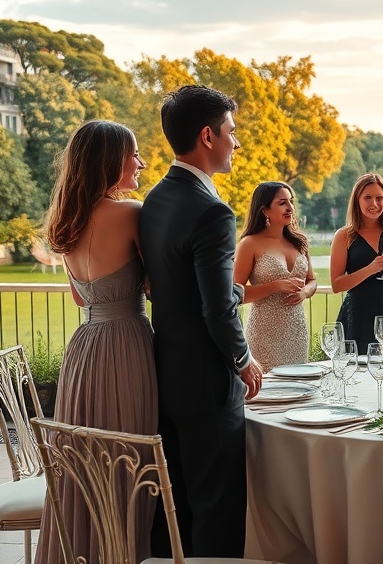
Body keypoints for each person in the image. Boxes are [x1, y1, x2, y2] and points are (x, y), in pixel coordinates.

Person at [138, 85, 263, 558]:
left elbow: (179, 286)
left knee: (178, 506)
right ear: (208, 136)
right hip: (209, 381)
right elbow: (216, 308)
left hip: (166, 372)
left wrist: (227, 290)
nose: (236, 142)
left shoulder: (155, 200)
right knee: (220, 507)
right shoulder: (213, 211)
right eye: (232, 132)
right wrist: (242, 359)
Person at [36, 120, 157, 564]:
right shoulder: (131, 214)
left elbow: (77, 297)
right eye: (135, 154)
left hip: (84, 350)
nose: (141, 163)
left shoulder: (66, 221)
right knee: (128, 458)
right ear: (112, 160)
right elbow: (155, 290)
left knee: (85, 461)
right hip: (126, 346)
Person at [331, 172, 383, 352]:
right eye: (367, 198)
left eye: (380, 198)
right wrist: (371, 269)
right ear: (357, 200)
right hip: (358, 311)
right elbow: (337, 285)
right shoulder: (344, 236)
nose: (374, 204)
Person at [235, 181, 317, 370]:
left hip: (296, 333)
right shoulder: (250, 244)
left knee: (298, 391)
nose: (290, 208)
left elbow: (312, 281)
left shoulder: (299, 242)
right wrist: (276, 285)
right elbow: (234, 294)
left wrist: (304, 292)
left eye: (291, 202)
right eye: (282, 203)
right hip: (264, 335)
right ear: (265, 210)